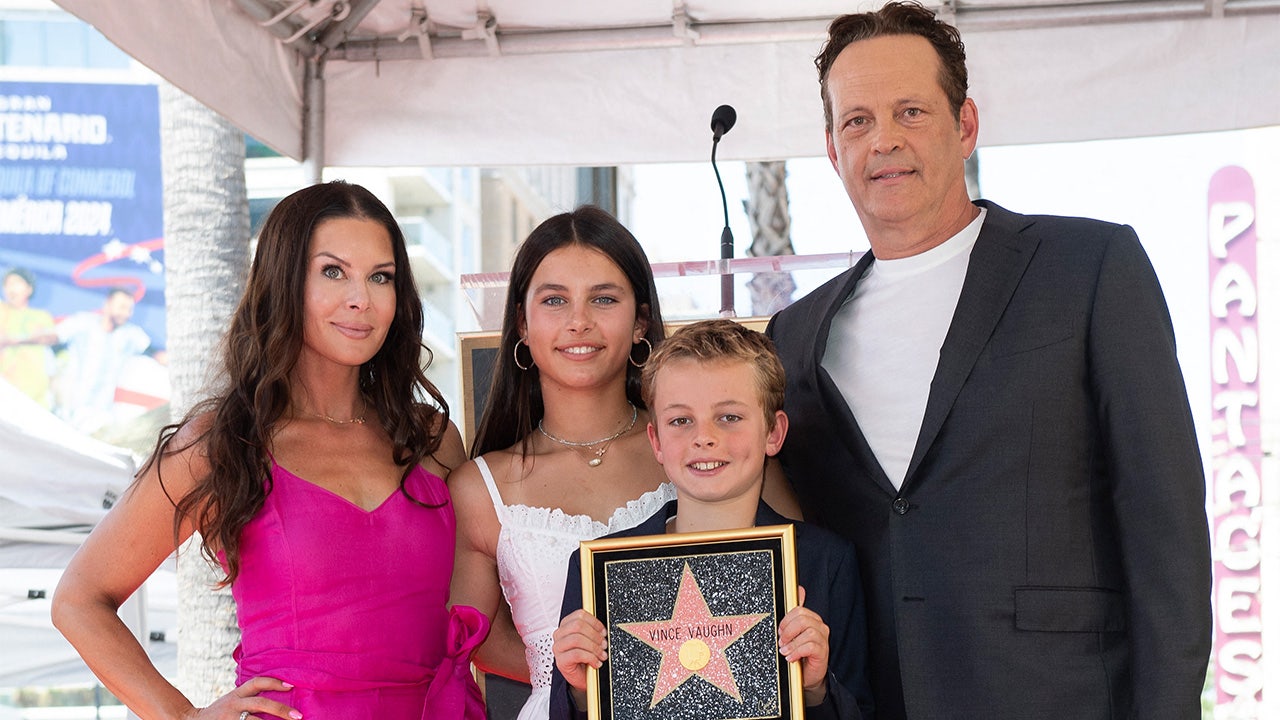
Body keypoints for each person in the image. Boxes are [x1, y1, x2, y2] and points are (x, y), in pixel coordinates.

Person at [764, 3, 1212, 718]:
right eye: (857, 121)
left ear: (964, 125)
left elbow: (1165, 529)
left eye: (911, 111)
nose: (884, 140)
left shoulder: (1090, 268)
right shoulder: (794, 335)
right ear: (831, 148)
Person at [53, 180, 486, 719]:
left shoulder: (433, 440)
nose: (362, 298)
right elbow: (79, 600)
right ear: (284, 282)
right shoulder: (223, 444)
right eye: (334, 272)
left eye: (381, 276)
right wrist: (185, 716)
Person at [549, 319, 874, 720]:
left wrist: (815, 688)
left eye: (729, 417)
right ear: (657, 442)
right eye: (681, 421)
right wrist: (582, 691)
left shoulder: (826, 562)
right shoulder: (599, 569)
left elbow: (862, 707)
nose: (704, 437)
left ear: (774, 432)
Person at [449, 205, 676, 720]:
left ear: (640, 320)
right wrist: (571, 674)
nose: (579, 321)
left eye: (603, 298)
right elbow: (477, 639)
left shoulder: (697, 447)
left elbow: (795, 565)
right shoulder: (479, 487)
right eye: (555, 300)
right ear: (523, 325)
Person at [54, 285, 153, 432]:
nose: (126, 313)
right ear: (107, 304)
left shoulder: (132, 334)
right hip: (68, 412)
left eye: (129, 309)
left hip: (100, 417)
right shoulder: (83, 322)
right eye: (122, 307)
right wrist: (15, 340)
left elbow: (156, 354)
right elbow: (52, 337)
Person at [0, 267, 57, 408]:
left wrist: (13, 340)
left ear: (29, 289)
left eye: (17, 283)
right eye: (7, 284)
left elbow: (50, 339)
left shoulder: (41, 316)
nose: (11, 288)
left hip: (34, 394)